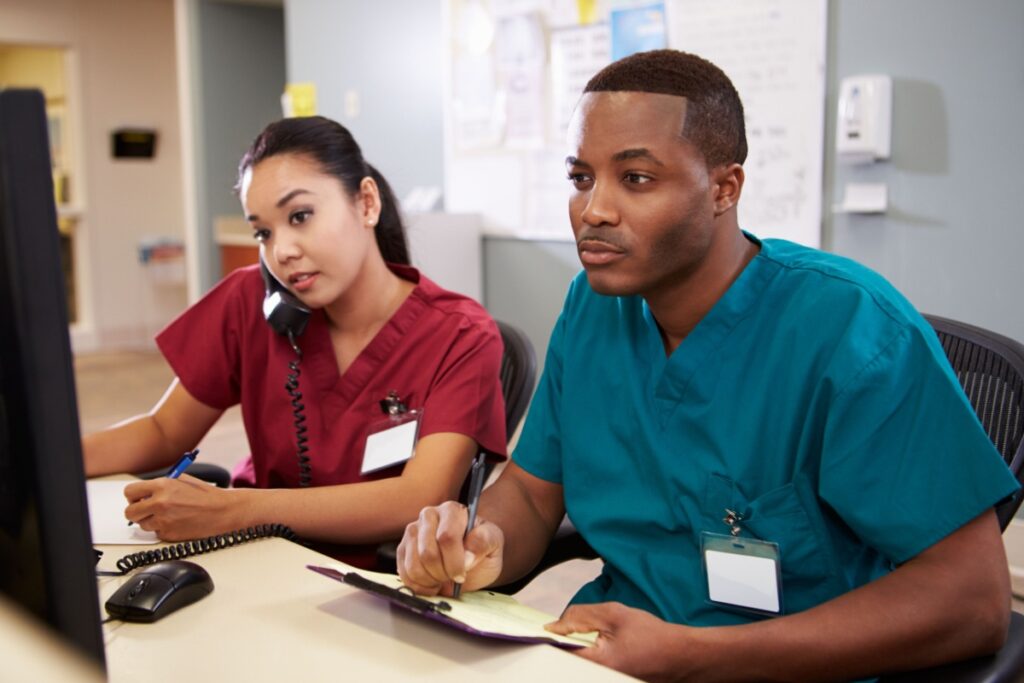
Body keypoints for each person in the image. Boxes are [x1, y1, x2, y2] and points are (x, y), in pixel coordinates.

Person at [396, 50, 1020, 681]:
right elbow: (532, 495)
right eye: (582, 178)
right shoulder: (593, 308)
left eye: (636, 178)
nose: (594, 210)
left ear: (724, 188)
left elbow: (973, 601)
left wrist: (694, 658)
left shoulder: (852, 331)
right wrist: (481, 545)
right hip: (604, 658)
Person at [83, 115, 507, 568]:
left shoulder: (459, 334)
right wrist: (41, 457)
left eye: (300, 216)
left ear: (365, 203)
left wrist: (231, 510)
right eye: (263, 232)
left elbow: (418, 498)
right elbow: (166, 430)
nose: (281, 250)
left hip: (377, 585)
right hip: (252, 558)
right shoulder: (252, 299)